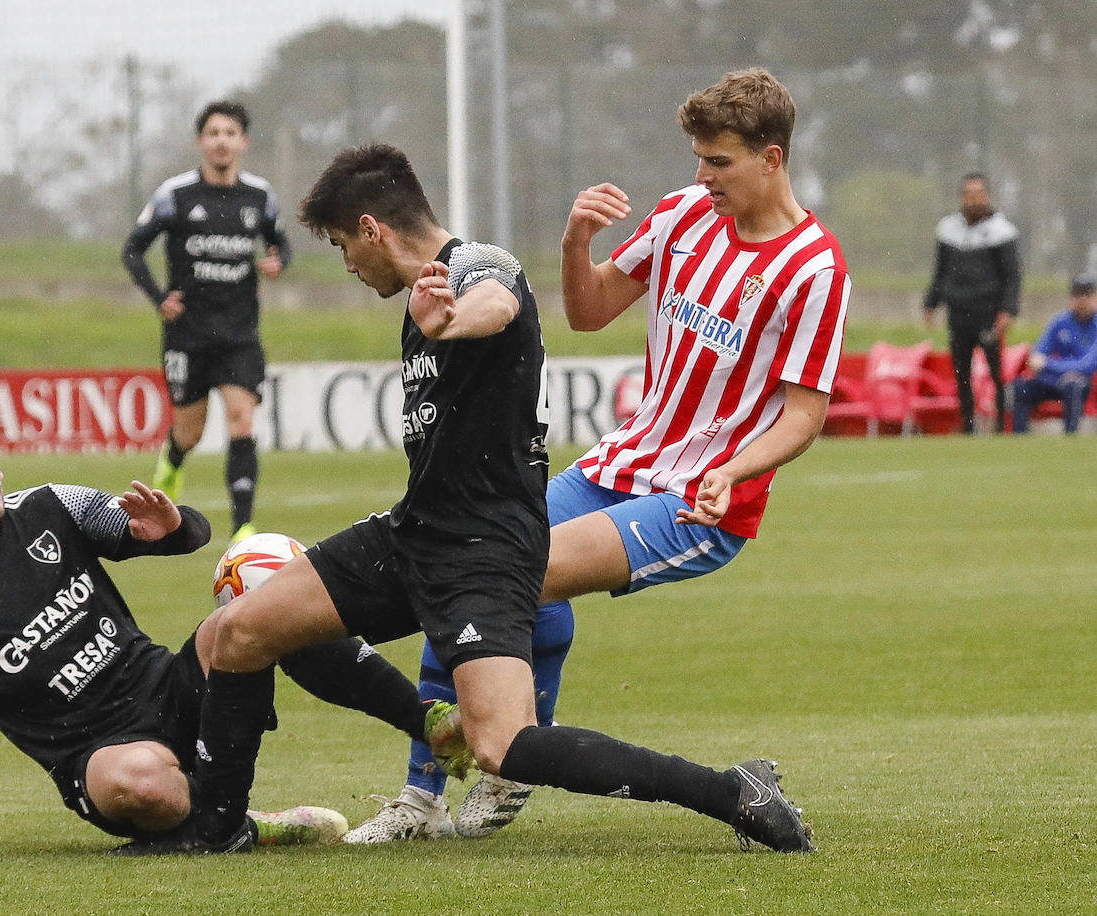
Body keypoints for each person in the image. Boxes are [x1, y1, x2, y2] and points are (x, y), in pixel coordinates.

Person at [182, 138, 817, 860]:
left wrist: (451, 319)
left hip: (486, 552)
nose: (348, 266)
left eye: (340, 246)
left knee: (503, 745)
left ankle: (733, 792)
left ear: (370, 228)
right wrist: (435, 317)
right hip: (413, 533)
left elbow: (496, 301)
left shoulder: (478, 266)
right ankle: (213, 828)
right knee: (240, 631)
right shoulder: (422, 296)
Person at [345, 68, 850, 846]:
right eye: (697, 158)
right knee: (474, 559)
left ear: (771, 159)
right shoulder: (684, 215)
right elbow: (588, 311)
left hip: (698, 503)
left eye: (718, 162)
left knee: (491, 576)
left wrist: (733, 470)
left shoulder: (813, 269)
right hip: (616, 466)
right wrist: (577, 241)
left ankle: (476, 772)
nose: (700, 176)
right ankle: (430, 796)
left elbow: (805, 414)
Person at [0, 396, 470, 859]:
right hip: (101, 757)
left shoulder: (50, 506)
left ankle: (431, 724)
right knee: (140, 784)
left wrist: (173, 528)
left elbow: (183, 534)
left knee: (264, 590)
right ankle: (246, 825)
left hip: (174, 687)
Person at [122, 100, 291, 544]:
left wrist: (277, 261)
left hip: (239, 334)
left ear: (243, 142)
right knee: (189, 431)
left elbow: (282, 245)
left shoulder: (259, 196)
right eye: (213, 133)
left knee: (241, 419)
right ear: (201, 142)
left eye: (230, 133)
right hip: (189, 335)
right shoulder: (175, 195)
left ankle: (243, 529)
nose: (221, 141)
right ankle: (172, 463)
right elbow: (132, 250)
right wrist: (160, 298)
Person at [923, 171, 1022, 434]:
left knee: (996, 372)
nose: (973, 200)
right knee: (961, 373)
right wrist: (931, 302)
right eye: (969, 194)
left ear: (987, 196)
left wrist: (1008, 310)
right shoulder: (949, 229)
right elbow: (941, 271)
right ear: (962, 197)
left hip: (988, 313)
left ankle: (1001, 426)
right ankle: (968, 427)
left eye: (978, 194)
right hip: (958, 313)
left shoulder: (1002, 232)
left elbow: (1012, 276)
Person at [1012, 273, 1097, 434]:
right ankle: (1018, 438)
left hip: (1084, 384)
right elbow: (1036, 356)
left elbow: (1088, 365)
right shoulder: (1060, 322)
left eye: (1087, 295)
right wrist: (1058, 369)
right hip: (1053, 381)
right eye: (1078, 295)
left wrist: (1049, 364)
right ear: (1071, 298)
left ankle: (1070, 438)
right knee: (1021, 387)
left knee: (1074, 385)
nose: (1083, 300)